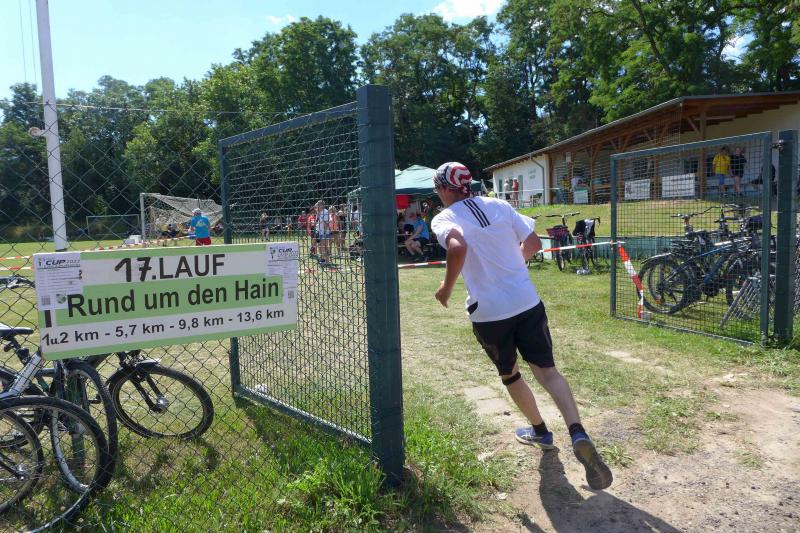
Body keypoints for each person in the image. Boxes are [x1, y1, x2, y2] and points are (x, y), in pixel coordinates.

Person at [430, 161, 613, 491]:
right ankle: (577, 432)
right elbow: (533, 243)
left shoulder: (445, 218)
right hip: (527, 301)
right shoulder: (499, 205)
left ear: (444, 189)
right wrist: (514, 265)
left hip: (489, 312)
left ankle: (540, 432)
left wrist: (445, 288)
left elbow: (457, 247)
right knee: (548, 372)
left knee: (511, 374)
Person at [315, 200, 331, 264]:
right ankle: (324, 259)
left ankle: (326, 260)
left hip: (324, 232)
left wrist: (324, 232)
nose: (317, 206)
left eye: (318, 204)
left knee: (324, 246)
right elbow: (317, 221)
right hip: (319, 231)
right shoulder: (318, 212)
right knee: (320, 246)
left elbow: (326, 223)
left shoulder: (325, 212)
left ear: (322, 205)